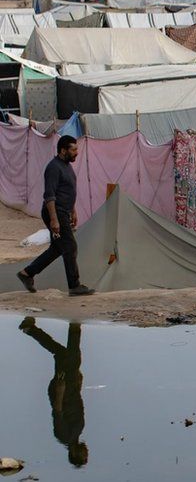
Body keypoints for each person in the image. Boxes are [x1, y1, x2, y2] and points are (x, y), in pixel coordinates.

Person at [17, 136, 94, 296]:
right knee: (70, 246)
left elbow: (68, 190)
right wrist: (54, 219)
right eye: (73, 149)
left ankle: (27, 274)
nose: (76, 153)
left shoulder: (66, 166)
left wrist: (73, 210)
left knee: (57, 248)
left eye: (76, 149)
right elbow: (50, 195)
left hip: (64, 212)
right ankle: (74, 286)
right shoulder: (53, 168)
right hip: (55, 212)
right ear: (63, 150)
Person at [20, 318, 88, 466]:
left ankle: (74, 326)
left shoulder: (64, 436)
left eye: (84, 457)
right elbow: (78, 404)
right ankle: (30, 330)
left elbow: (57, 411)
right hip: (71, 388)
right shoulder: (76, 434)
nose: (87, 453)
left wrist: (60, 388)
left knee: (73, 357)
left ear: (74, 454)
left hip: (62, 389)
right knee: (62, 354)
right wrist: (79, 381)